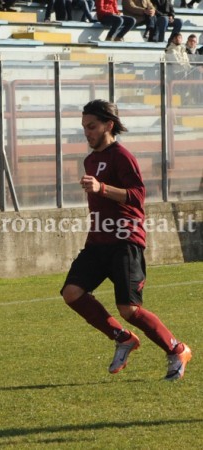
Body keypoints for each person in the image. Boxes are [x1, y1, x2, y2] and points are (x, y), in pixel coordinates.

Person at [60, 99, 192, 381]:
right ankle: (122, 338)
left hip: (125, 241)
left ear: (109, 125)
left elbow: (137, 196)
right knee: (71, 293)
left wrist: (102, 187)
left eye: (92, 126)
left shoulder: (122, 156)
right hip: (97, 243)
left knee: (129, 309)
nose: (87, 132)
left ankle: (177, 349)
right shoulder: (90, 160)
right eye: (84, 127)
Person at [166, 32, 202, 103]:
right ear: (187, 41)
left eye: (194, 41)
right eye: (190, 41)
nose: (192, 43)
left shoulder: (197, 52)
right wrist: (194, 68)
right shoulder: (182, 50)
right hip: (181, 73)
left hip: (191, 73)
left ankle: (197, 99)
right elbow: (179, 63)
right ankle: (196, 99)